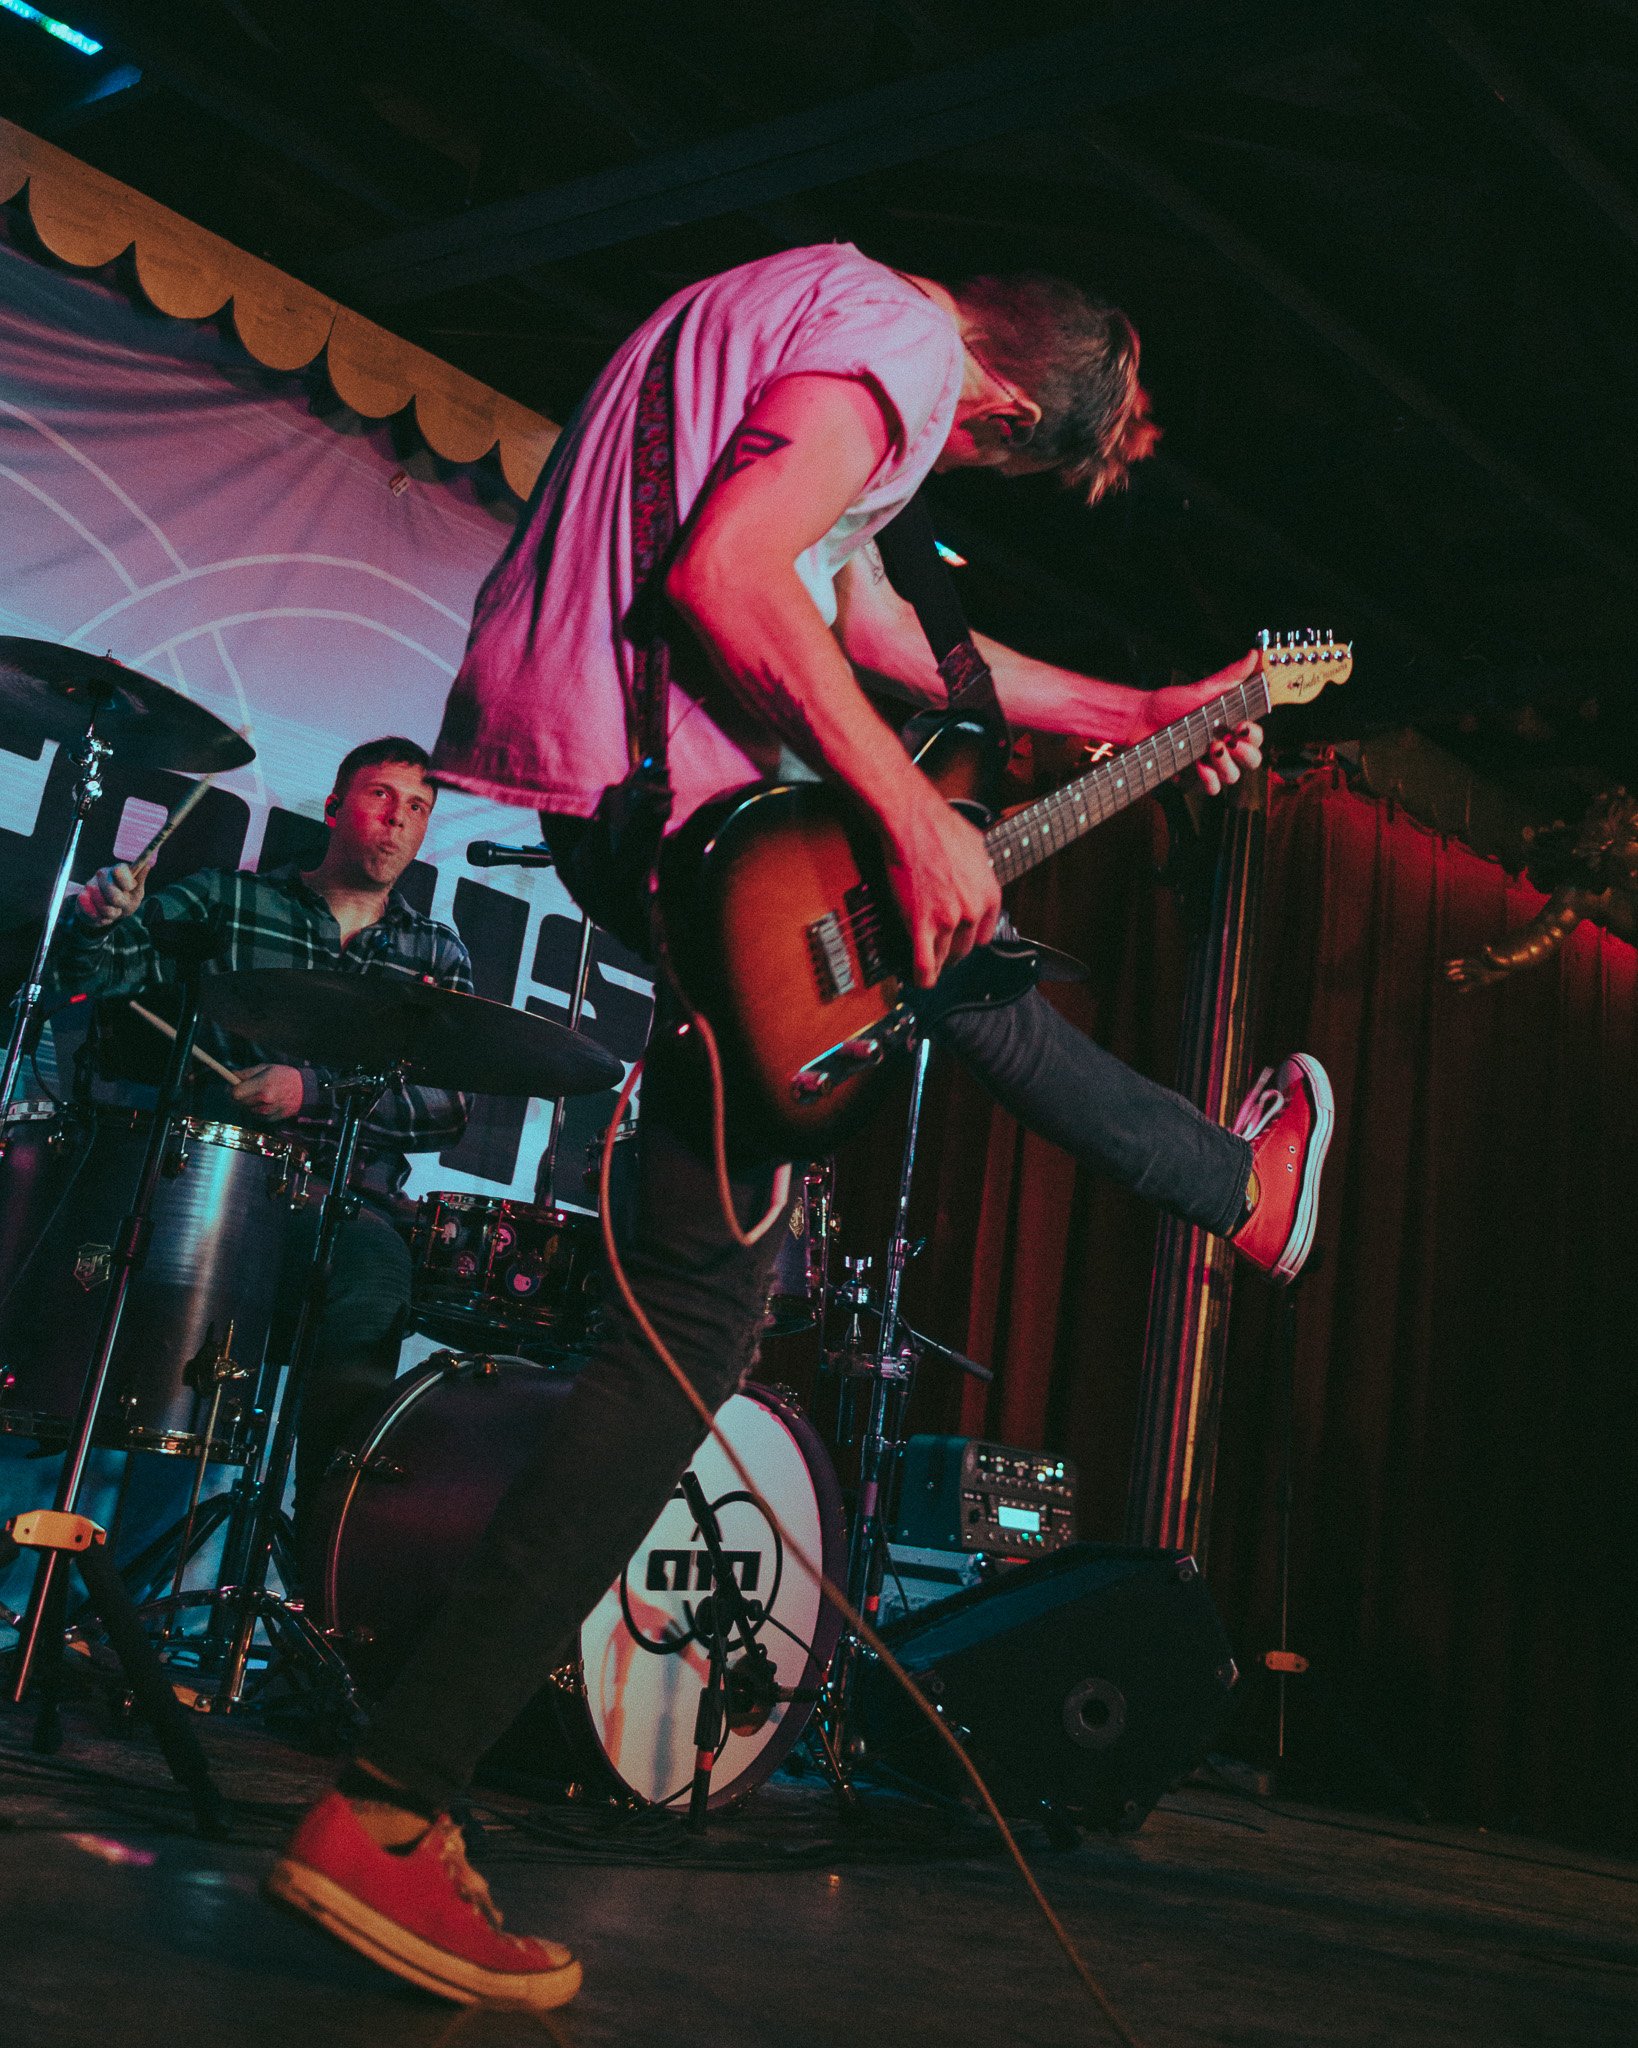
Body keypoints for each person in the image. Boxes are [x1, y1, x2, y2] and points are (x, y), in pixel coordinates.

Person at [265, 247, 1331, 2013]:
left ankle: (1222, 1181)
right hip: (687, 803)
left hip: (653, 807)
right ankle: (386, 1803)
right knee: (692, 1318)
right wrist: (911, 807)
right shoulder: (896, 347)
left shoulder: (808, 315)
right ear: (993, 406)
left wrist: (1135, 714)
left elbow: (861, 620)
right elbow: (737, 573)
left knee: (878, 1058)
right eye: (991, 465)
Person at [53, 736, 472, 1520]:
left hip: (349, 1207)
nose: (396, 821)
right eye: (381, 796)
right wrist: (98, 922)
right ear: (335, 806)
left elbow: (450, 1104)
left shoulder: (435, 953)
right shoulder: (232, 902)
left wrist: (309, 1092)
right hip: (221, 1189)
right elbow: (98, 977)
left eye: (416, 808)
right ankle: (112, 1587)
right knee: (167, 1345)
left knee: (376, 1278)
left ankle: (322, 1548)